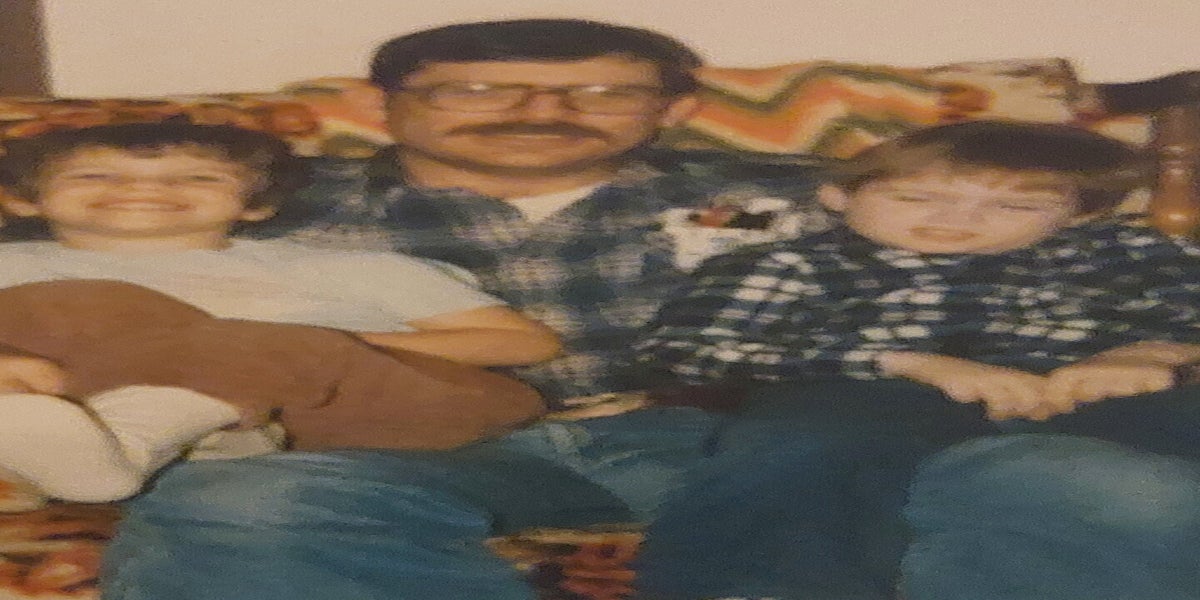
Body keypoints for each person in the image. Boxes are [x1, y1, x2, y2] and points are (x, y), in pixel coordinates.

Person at [94, 19, 833, 600]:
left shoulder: (814, 194)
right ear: (375, 105)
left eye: (605, 93)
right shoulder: (237, 204)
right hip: (397, 447)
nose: (542, 113)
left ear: (676, 109)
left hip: (729, 439)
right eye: (475, 91)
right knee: (238, 503)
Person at [632, 120, 1200, 599]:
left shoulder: (1123, 250)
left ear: (1077, 215)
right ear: (837, 197)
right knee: (804, 447)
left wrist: (1148, 352)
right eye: (915, 197)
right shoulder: (789, 263)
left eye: (1015, 205)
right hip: (874, 388)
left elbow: (1184, 303)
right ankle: (758, 587)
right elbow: (686, 351)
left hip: (1085, 387)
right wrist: (906, 361)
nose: (959, 220)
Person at [0, 121, 554, 508]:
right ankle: (149, 448)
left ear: (256, 205)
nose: (143, 189)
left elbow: (523, 344)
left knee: (121, 312)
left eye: (197, 177)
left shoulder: (353, 266)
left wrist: (309, 342)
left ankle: (127, 444)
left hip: (358, 406)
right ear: (23, 200)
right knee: (60, 308)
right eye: (94, 176)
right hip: (85, 406)